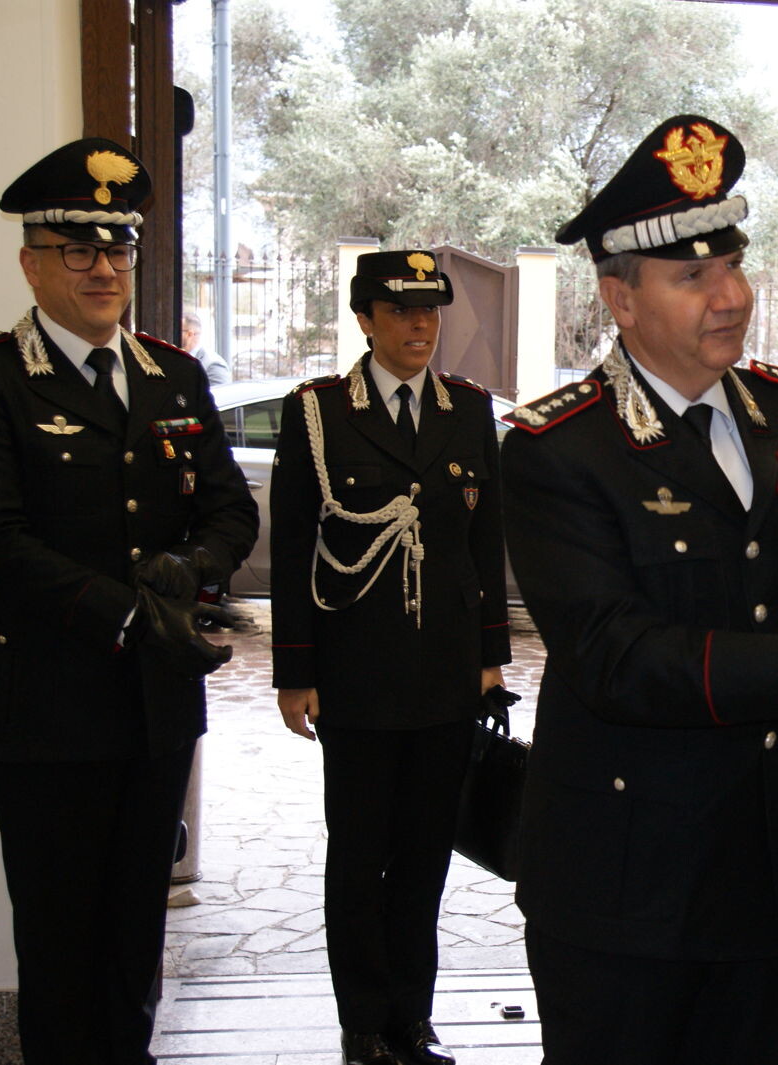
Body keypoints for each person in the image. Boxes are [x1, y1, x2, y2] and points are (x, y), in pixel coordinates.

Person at [501, 114, 778, 1065]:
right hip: (625, 872)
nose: (732, 296)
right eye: (692, 277)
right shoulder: (559, 450)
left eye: (733, 263)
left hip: (770, 859)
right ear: (620, 297)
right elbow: (615, 655)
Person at [0, 137, 258, 1064]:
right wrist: (127, 610)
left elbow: (232, 508)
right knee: (58, 926)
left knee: (136, 924)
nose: (105, 269)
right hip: (40, 707)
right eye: (79, 249)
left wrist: (190, 566)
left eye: (119, 247)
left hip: (154, 706)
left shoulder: (172, 374)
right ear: (32, 260)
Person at [270, 250, 513, 1065]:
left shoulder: (468, 410)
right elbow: (294, 549)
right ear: (365, 318)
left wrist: (490, 658)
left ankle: (415, 1015)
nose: (419, 325)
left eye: (430, 311)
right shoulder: (319, 412)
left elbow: (486, 543)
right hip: (357, 676)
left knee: (424, 858)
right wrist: (296, 670)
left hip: (445, 676)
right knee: (360, 854)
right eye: (401, 311)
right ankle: (363, 1020)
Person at [180, 309, 230, 386]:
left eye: (178, 330)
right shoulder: (176, 358)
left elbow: (221, 396)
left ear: (190, 334)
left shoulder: (213, 365)